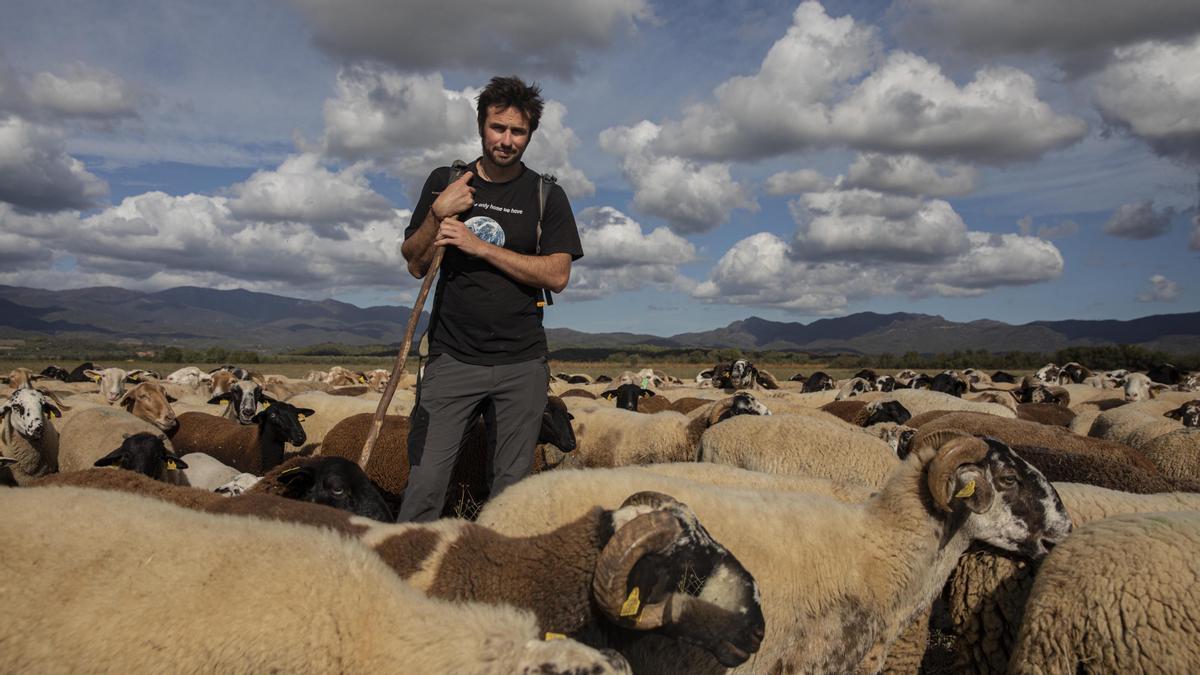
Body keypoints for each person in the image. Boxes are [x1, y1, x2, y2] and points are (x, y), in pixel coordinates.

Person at [397, 76, 583, 523]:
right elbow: (415, 262)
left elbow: (557, 275)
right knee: (424, 484)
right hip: (452, 357)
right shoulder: (447, 181)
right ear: (482, 127)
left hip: (521, 363)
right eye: (498, 128)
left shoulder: (546, 195)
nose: (506, 140)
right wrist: (438, 212)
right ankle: (402, 580)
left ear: (530, 135)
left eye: (517, 132)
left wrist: (479, 246)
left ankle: (496, 578)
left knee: (512, 494)